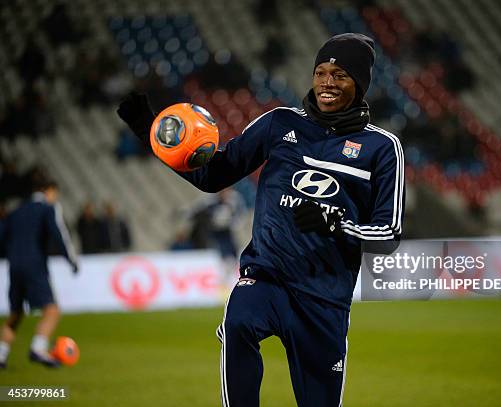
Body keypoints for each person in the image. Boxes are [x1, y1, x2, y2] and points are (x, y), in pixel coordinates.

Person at [117, 33, 404, 406]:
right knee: (239, 320)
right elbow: (212, 176)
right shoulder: (279, 123)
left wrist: (334, 223)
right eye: (321, 72)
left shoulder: (382, 148)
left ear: (360, 84)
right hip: (267, 277)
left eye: (340, 75)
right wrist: (150, 132)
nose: (327, 83)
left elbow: (389, 235)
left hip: (325, 300)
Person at [0, 178, 78, 368]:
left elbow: (2, 236)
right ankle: (39, 348)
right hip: (34, 264)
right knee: (51, 311)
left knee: (16, 314)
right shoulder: (47, 208)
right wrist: (71, 260)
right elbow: (59, 233)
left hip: (14, 265)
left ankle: (1, 355)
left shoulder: (15, 211)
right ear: (49, 190)